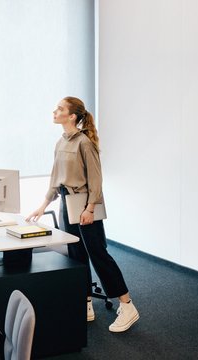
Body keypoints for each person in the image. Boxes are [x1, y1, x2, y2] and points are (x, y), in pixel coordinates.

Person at [26, 96, 140, 333]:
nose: (54, 111)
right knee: (76, 254)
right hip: (66, 203)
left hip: (85, 204)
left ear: (72, 116)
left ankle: (127, 305)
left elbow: (96, 181)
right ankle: (85, 300)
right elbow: (55, 178)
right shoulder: (61, 141)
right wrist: (42, 204)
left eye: (60, 109)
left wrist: (89, 209)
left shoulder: (84, 143)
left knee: (98, 254)